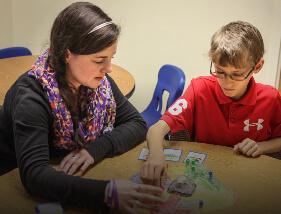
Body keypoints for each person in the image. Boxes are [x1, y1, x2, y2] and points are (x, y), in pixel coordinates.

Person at [0, 2, 164, 213]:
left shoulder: (98, 82)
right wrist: (106, 192)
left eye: (111, 58)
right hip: (9, 181)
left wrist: (94, 150)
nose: (109, 68)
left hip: (59, 174)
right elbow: (34, 174)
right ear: (68, 54)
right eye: (99, 60)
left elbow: (136, 123)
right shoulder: (32, 96)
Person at [140, 21, 281, 188]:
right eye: (220, 71)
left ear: (257, 66)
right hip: (202, 177)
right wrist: (155, 155)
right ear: (213, 61)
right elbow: (156, 130)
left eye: (237, 74)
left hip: (247, 178)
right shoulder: (199, 89)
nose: (227, 82)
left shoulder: (270, 97)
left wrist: (260, 147)